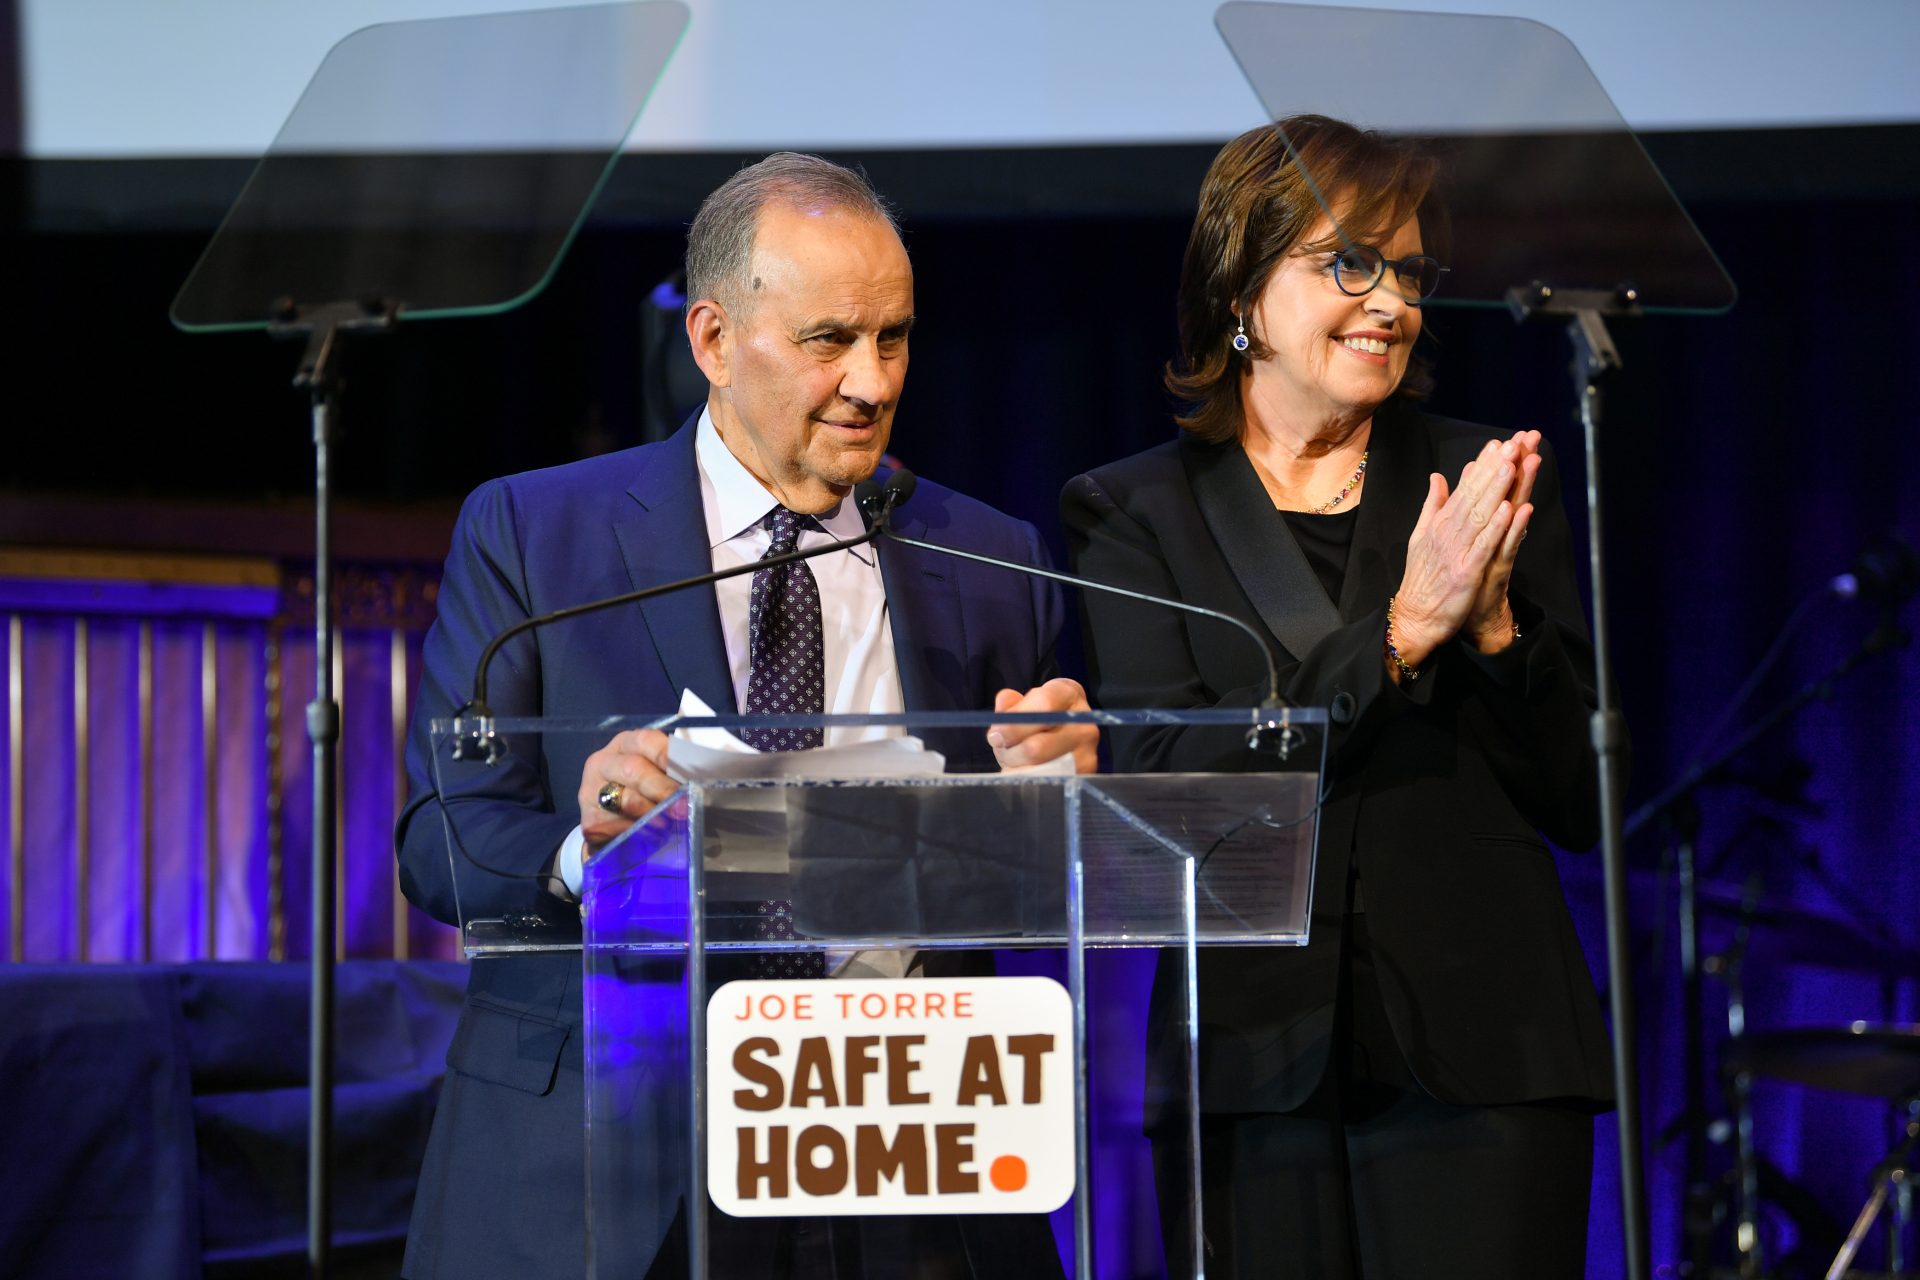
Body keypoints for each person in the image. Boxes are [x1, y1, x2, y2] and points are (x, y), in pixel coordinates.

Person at [396, 152, 1096, 1280]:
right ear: (714, 340)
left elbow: (1020, 887)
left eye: (895, 337)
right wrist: (588, 850)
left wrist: (1052, 804)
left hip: (903, 1147)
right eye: (830, 339)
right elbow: (442, 840)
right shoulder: (536, 535)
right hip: (611, 1160)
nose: (872, 381)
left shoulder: (990, 558)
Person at [1060, 115, 1615, 1279]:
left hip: (1489, 1059)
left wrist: (1496, 628)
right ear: (1240, 294)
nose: (1391, 302)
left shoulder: (1481, 482)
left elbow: (1581, 797)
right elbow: (1167, 782)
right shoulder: (1132, 512)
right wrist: (1403, 632)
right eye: (1350, 265)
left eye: (1408, 272)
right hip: (1252, 1064)